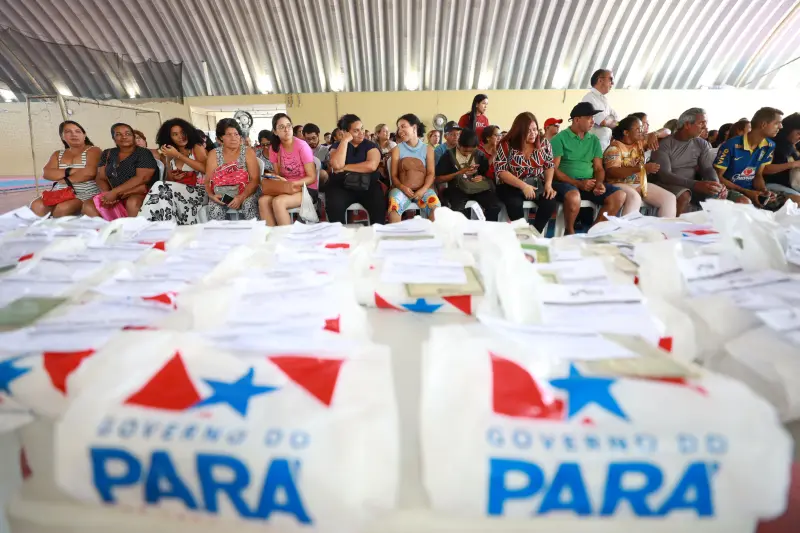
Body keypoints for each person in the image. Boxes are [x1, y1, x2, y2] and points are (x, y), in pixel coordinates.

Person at [551, 102, 626, 234]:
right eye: (589, 118)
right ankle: (569, 232)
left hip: (587, 183)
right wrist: (577, 183)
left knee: (619, 195)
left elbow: (598, 168)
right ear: (577, 120)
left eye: (593, 117)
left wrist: (599, 183)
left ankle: (592, 233)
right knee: (574, 196)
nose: (593, 121)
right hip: (564, 183)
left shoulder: (594, 140)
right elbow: (554, 169)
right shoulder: (559, 138)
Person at [650, 108, 732, 215]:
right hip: (666, 184)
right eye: (701, 123)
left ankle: (706, 225)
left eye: (706, 123)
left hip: (691, 184)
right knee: (685, 195)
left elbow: (707, 168)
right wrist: (695, 184)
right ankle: (676, 225)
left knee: (716, 194)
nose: (705, 127)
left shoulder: (701, 143)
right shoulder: (664, 144)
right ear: (687, 124)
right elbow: (665, 175)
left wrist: (715, 183)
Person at [715, 107, 800, 210]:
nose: (781, 127)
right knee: (744, 202)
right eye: (777, 123)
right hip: (730, 189)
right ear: (763, 124)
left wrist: (764, 191)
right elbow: (718, 177)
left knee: (795, 201)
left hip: (752, 190)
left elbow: (758, 174)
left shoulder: (769, 145)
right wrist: (746, 192)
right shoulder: (731, 145)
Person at [492, 113, 559, 231]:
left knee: (549, 202)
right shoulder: (506, 144)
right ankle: (521, 233)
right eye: (528, 131)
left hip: (536, 183)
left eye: (535, 129)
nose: (533, 133)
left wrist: (548, 185)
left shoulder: (544, 143)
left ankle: (535, 232)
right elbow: (501, 171)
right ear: (519, 130)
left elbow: (549, 165)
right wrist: (523, 186)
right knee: (514, 203)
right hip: (511, 184)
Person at [603, 115, 676, 217]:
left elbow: (667, 131)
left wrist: (655, 134)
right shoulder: (614, 148)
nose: (642, 131)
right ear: (626, 132)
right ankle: (627, 227)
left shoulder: (640, 142)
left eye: (642, 128)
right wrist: (642, 168)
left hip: (638, 184)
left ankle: (664, 227)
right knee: (635, 198)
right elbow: (612, 172)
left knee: (669, 198)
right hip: (617, 184)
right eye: (638, 129)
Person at [139, 118, 209, 224]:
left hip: (201, 192)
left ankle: (144, 223)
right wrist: (175, 176)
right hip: (180, 192)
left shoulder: (196, 147)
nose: (181, 137)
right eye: (175, 134)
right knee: (162, 194)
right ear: (169, 137)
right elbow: (169, 181)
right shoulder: (170, 154)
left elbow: (206, 169)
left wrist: (178, 155)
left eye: (183, 132)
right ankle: (162, 225)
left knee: (159, 185)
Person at [83, 123, 157, 218]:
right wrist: (107, 195)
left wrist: (115, 192)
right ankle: (109, 227)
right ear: (113, 138)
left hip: (138, 192)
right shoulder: (107, 153)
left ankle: (133, 227)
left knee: (133, 202)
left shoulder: (143, 152)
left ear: (133, 136)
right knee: (88, 205)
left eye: (128, 134)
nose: (124, 137)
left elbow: (142, 178)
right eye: (118, 134)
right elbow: (100, 177)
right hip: (114, 193)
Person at [31, 121, 101, 217]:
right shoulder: (58, 154)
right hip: (61, 192)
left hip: (85, 194)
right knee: (36, 205)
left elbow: (89, 173)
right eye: (68, 132)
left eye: (78, 131)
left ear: (84, 135)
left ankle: (62, 226)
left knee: (63, 208)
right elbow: (47, 173)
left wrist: (64, 179)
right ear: (62, 137)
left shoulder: (93, 150)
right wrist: (71, 171)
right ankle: (45, 226)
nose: (73, 134)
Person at [326, 114, 385, 225]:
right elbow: (337, 165)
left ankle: (376, 233)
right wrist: (344, 141)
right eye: (356, 131)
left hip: (368, 186)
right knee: (334, 205)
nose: (361, 133)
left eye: (362, 128)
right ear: (345, 132)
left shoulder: (371, 145)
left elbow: (371, 166)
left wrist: (345, 167)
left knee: (378, 205)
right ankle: (339, 234)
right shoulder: (337, 146)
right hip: (342, 186)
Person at [260, 113, 317, 225]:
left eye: (288, 126)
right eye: (281, 127)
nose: (286, 129)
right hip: (285, 187)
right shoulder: (274, 148)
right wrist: (274, 177)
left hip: (305, 188)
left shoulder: (302, 146)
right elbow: (278, 174)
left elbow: (312, 177)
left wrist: (293, 184)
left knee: (278, 202)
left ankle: (286, 235)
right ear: (275, 131)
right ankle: (272, 234)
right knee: (263, 201)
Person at [435, 128, 502, 221]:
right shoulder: (448, 156)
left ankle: (487, 227)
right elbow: (438, 179)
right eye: (465, 151)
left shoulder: (479, 155)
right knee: (459, 210)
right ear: (459, 144)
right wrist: (459, 173)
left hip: (476, 188)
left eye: (470, 151)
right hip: (457, 189)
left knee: (495, 205)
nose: (467, 154)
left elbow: (486, 173)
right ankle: (462, 228)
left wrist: (481, 177)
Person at [204, 118, 261, 221]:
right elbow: (207, 181)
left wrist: (241, 197)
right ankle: (220, 232)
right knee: (214, 208)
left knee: (248, 204)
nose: (233, 138)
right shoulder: (214, 154)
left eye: (236, 134)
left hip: (247, 192)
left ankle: (254, 231)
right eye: (229, 134)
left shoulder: (247, 152)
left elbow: (255, 179)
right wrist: (212, 196)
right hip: (223, 193)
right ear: (220, 138)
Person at [388, 114, 440, 222]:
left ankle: (432, 233)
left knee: (436, 210)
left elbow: (431, 173)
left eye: (403, 126)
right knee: (393, 208)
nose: (400, 131)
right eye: (398, 128)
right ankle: (395, 232)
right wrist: (403, 187)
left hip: (423, 190)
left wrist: (423, 190)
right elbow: (394, 176)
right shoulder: (397, 149)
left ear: (414, 127)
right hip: (402, 190)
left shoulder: (428, 149)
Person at [581, 69, 620, 151]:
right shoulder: (590, 98)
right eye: (610, 79)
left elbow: (616, 119)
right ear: (600, 80)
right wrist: (610, 119)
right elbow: (603, 122)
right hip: (592, 148)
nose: (613, 83)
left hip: (604, 146)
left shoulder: (604, 99)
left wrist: (611, 120)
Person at [764, 112, 800, 196]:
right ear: (788, 130)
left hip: (790, 186)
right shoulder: (771, 144)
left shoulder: (790, 145)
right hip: (772, 184)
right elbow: (764, 169)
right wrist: (793, 164)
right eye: (799, 133)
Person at [303, 123, 330, 187]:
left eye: (314, 138)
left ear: (318, 135)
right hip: (303, 178)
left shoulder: (325, 150)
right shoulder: (302, 150)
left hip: (319, 178)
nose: (311, 141)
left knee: (323, 174)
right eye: (308, 139)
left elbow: (329, 169)